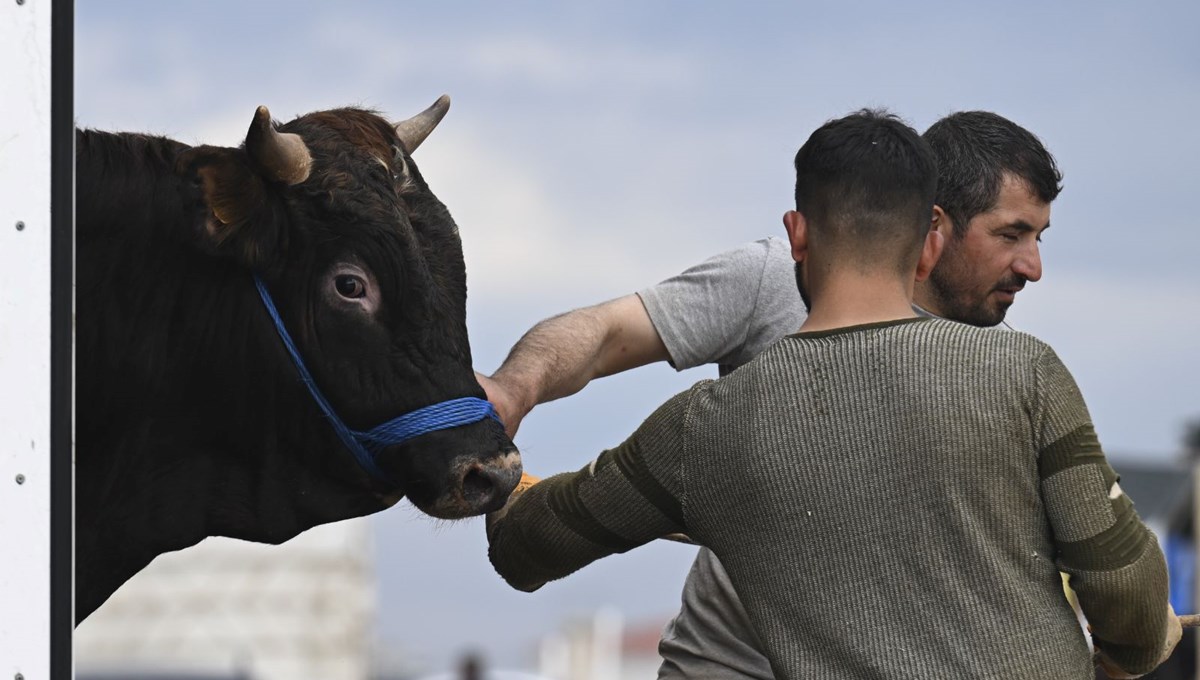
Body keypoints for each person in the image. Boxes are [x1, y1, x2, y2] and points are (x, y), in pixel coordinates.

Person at [484, 109, 1176, 678]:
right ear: (928, 242)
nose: (1032, 266)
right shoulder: (1026, 372)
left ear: (799, 234)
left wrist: (484, 442)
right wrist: (1134, 649)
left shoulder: (698, 431)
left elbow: (529, 544)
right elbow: (1125, 592)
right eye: (1013, 235)